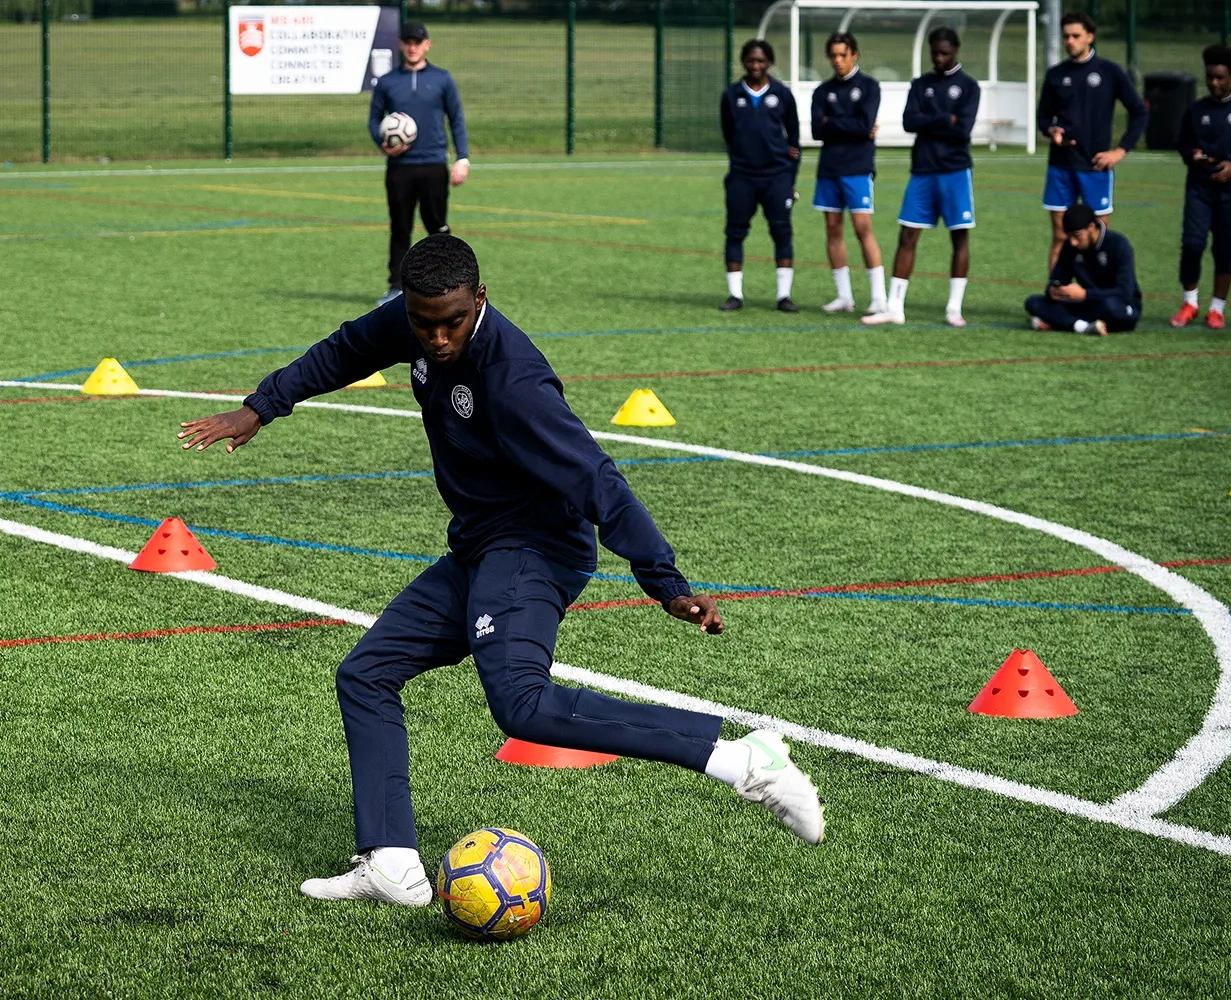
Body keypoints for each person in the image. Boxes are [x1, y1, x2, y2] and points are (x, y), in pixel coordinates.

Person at [177, 235, 825, 906]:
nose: (435, 337)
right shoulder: (414, 320)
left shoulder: (514, 380)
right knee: (366, 674)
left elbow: (597, 479)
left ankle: (745, 761)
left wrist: (664, 580)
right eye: (423, 322)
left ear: (478, 300)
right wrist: (262, 405)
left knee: (522, 704)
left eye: (451, 321)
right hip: (481, 545)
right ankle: (392, 862)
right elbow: (345, 350)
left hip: (537, 548)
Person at [863, 27, 981, 328]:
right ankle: (894, 307)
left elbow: (962, 130)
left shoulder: (968, 87)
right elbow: (909, 121)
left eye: (945, 53)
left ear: (956, 51)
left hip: (955, 170)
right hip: (923, 170)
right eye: (935, 53)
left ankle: (954, 308)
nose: (939, 58)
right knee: (908, 235)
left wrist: (931, 122)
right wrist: (944, 118)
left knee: (959, 236)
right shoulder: (921, 84)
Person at [368, 22, 469, 306]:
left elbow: (457, 119)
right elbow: (374, 120)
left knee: (436, 227)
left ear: (427, 45)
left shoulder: (442, 79)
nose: (413, 47)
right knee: (400, 227)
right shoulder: (388, 82)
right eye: (408, 42)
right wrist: (383, 143)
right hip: (400, 168)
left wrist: (462, 158)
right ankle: (396, 288)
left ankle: (449, 284)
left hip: (434, 164)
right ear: (401, 45)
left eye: (418, 42)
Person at [1036, 12, 1147, 270]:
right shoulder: (1055, 75)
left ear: (1090, 37)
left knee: (1099, 238)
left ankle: (1099, 299)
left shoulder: (1109, 72)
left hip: (1095, 167)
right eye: (1066, 37)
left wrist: (1119, 151)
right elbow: (1043, 118)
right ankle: (1056, 298)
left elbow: (1140, 112)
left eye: (1076, 36)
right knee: (1061, 236)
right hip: (1060, 166)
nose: (1070, 42)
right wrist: (1051, 131)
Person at [719, 39, 802, 312]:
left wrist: (790, 180)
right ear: (743, 62)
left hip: (776, 177)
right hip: (742, 176)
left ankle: (784, 296)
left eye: (761, 61)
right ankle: (735, 295)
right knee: (735, 232)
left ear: (770, 62)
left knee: (781, 232)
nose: (756, 66)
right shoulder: (731, 95)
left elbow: (794, 140)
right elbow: (729, 133)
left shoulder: (782, 94)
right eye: (751, 61)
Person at [810, 30, 886, 315]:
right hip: (829, 167)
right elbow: (818, 130)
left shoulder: (869, 87)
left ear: (855, 55)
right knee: (832, 229)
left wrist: (834, 121)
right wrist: (850, 124)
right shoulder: (822, 91)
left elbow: (864, 125)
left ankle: (879, 297)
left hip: (857, 167)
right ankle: (844, 296)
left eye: (843, 55)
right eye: (833, 55)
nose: (838, 61)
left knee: (862, 227)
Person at [1172, 43, 1231, 330]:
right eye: (1210, 77)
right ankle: (1190, 303)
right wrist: (1194, 155)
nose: (1214, 83)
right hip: (1199, 189)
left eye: (1220, 77)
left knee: (1224, 249)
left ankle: (1217, 309)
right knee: (1192, 244)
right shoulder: (1196, 110)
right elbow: (1183, 144)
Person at [1023, 203, 1140, 336]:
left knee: (1111, 307)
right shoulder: (1070, 247)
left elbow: (1125, 293)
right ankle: (1083, 327)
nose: (1073, 242)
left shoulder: (1118, 245)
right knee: (1033, 303)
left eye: (1077, 235)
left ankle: (1063, 321)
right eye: (1069, 236)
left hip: (1119, 305)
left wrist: (1086, 294)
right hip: (1087, 304)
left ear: (1091, 227)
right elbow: (1058, 278)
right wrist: (1054, 290)